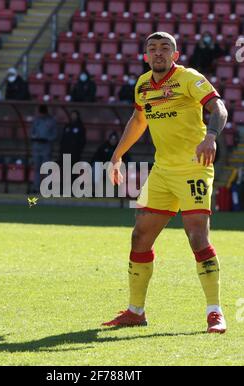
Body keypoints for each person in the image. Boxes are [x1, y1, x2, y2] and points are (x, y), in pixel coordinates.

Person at [103, 32, 228, 334]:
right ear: (145, 55)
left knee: (197, 237)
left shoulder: (189, 78)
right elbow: (138, 122)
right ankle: (136, 311)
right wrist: (117, 156)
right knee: (139, 237)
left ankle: (214, 312)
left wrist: (211, 136)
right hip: (162, 171)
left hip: (194, 168)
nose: (158, 53)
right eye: (152, 49)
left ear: (175, 54)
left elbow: (219, 109)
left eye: (165, 48)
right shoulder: (143, 84)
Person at [30, 105, 58, 192]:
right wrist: (34, 137)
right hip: (36, 146)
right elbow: (32, 132)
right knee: (37, 167)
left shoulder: (51, 121)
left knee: (46, 167)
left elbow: (54, 134)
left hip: (46, 146)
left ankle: (46, 187)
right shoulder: (36, 120)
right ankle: (36, 187)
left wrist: (47, 139)